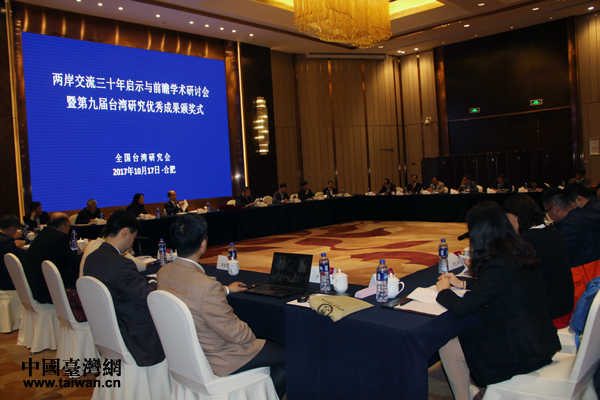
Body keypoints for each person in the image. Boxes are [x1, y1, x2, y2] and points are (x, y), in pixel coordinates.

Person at [436, 202, 560, 399]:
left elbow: (461, 308)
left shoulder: (499, 264)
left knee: (448, 345)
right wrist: (463, 284)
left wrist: (444, 291)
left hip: (522, 351)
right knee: (465, 335)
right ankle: (470, 390)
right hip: (540, 339)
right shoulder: (519, 249)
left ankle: (464, 396)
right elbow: (501, 286)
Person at [158, 214, 286, 398]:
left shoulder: (163, 273)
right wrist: (255, 333)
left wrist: (224, 289)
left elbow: (191, 296)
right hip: (220, 358)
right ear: (203, 244)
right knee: (290, 357)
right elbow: (238, 335)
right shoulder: (206, 286)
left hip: (184, 357)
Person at [83, 209, 165, 367]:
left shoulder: (91, 258)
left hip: (106, 332)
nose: (132, 243)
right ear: (126, 232)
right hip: (133, 336)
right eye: (133, 237)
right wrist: (155, 282)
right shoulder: (122, 265)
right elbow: (148, 296)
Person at [502, 194, 574, 327]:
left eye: (507, 217)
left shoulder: (526, 242)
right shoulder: (552, 231)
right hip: (566, 308)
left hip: (549, 316)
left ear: (517, 216)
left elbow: (511, 280)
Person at [543, 188, 600, 304]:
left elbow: (558, 254)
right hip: (593, 274)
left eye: (547, 211)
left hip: (585, 281)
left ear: (555, 209)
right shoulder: (582, 215)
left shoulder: (571, 226)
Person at [22, 213, 81, 304]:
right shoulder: (59, 237)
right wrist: (85, 253)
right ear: (63, 227)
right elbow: (73, 261)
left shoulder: (44, 233)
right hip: (47, 291)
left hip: (33, 285)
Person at [0, 214, 26, 290]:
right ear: (11, 229)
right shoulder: (5, 243)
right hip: (5, 280)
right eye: (16, 229)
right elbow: (21, 255)